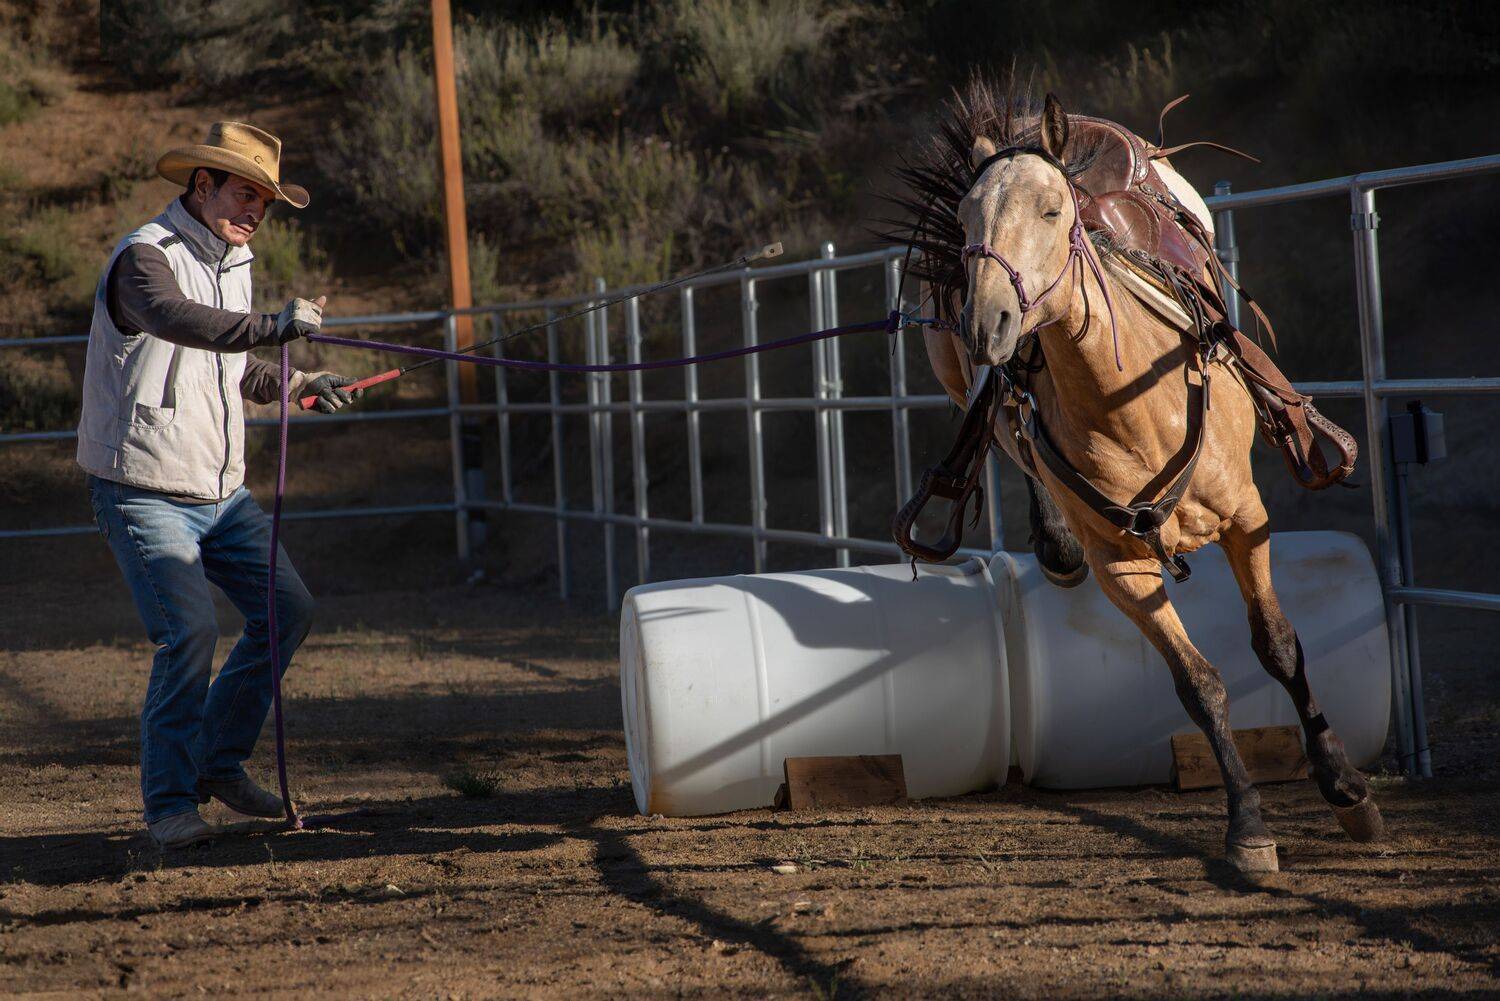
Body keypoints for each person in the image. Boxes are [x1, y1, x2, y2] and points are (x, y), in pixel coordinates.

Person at [76, 122, 360, 849]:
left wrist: (297, 383)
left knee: (288, 607)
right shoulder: (145, 258)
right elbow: (179, 320)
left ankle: (218, 759)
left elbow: (227, 366)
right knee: (190, 631)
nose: (256, 210)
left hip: (218, 490)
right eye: (245, 193)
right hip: (141, 484)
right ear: (201, 185)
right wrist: (270, 326)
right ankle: (170, 804)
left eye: (265, 200)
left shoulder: (234, 260)